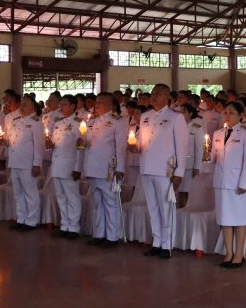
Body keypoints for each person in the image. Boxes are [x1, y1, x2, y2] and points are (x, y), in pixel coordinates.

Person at [139, 84, 189, 259]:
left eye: (158, 94)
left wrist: (179, 173)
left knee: (166, 208)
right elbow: (141, 142)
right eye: (152, 93)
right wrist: (134, 146)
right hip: (147, 167)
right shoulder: (145, 116)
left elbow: (182, 147)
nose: (153, 96)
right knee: (153, 208)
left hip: (165, 170)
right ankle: (157, 242)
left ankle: (167, 245)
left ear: (167, 97)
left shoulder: (176, 117)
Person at [212, 101, 246, 268]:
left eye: (231, 112)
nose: (227, 115)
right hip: (221, 181)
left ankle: (239, 253)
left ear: (240, 115)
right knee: (225, 218)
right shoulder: (217, 133)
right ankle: (228, 252)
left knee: (239, 219)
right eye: (225, 112)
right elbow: (213, 157)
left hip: (237, 182)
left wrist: (244, 182)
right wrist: (208, 155)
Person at [82, 92, 127, 247]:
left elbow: (120, 147)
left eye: (100, 102)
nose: (97, 105)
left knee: (110, 202)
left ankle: (112, 237)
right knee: (97, 202)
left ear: (109, 104)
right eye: (96, 102)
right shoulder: (92, 121)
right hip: (92, 166)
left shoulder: (117, 121)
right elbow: (87, 142)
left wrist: (120, 168)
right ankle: (99, 234)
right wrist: (81, 142)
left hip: (108, 168)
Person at [5, 94, 44, 231]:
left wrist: (37, 163)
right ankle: (21, 218)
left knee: (30, 192)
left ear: (33, 107)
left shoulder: (36, 122)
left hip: (27, 162)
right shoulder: (15, 121)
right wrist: (5, 141)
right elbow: (11, 140)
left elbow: (39, 144)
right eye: (21, 104)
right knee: (18, 192)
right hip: (15, 161)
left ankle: (31, 221)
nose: (22, 107)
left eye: (25, 104)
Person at [47, 95, 83, 239]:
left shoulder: (78, 123)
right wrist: (49, 145)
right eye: (60, 105)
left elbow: (81, 147)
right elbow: (54, 142)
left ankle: (74, 227)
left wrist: (78, 168)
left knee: (72, 197)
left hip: (69, 165)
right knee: (61, 196)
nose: (61, 107)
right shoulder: (58, 122)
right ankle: (65, 225)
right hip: (57, 164)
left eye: (64, 105)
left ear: (73, 106)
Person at [179, 104, 206, 208]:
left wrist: (197, 167)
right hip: (178, 164)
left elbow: (199, 149)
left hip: (189, 166)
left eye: (184, 112)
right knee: (179, 191)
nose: (181, 114)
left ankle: (185, 212)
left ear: (190, 114)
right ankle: (179, 212)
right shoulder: (178, 126)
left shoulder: (196, 128)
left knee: (187, 191)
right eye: (180, 112)